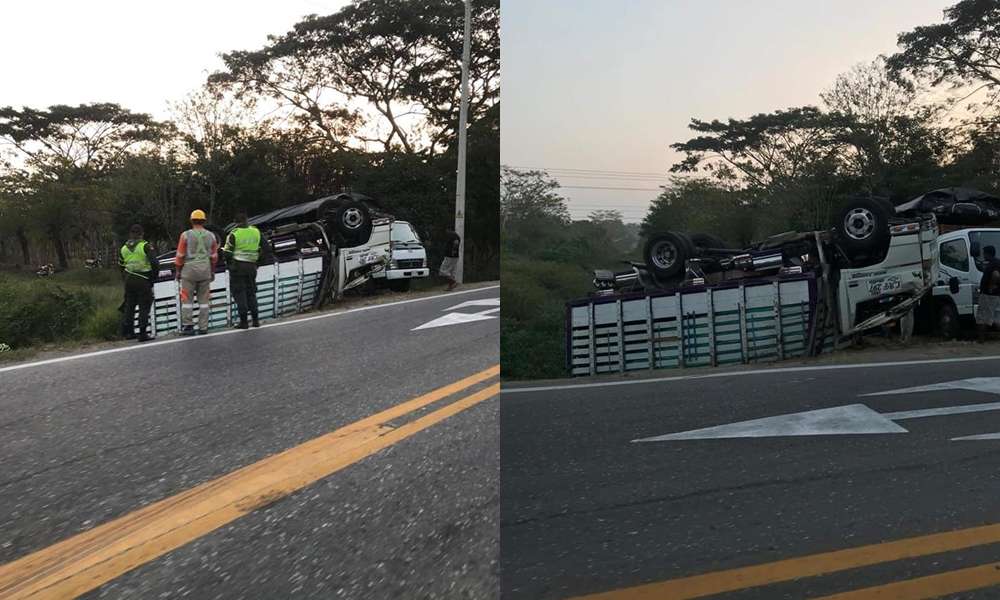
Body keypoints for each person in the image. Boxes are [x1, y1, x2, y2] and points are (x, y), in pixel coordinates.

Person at [175, 209, 219, 335]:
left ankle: (188, 326)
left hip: (188, 270)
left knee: (187, 300)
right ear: (204, 221)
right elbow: (214, 256)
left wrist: (178, 270)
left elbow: (180, 255)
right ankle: (203, 327)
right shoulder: (211, 236)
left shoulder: (185, 235)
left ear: (191, 220)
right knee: (204, 300)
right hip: (205, 270)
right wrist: (212, 271)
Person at [222, 211, 263, 329]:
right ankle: (256, 321)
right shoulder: (256, 231)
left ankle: (244, 322)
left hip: (238, 267)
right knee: (251, 292)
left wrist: (228, 263)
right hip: (252, 267)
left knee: (240, 293)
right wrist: (257, 263)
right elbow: (263, 249)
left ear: (235, 223)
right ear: (247, 220)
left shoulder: (234, 233)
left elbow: (228, 253)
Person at [119, 224, 158, 342]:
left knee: (130, 306)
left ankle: (129, 332)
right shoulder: (145, 246)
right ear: (141, 234)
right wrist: (152, 279)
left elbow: (121, 266)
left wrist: (125, 278)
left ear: (131, 234)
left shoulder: (123, 248)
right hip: (143, 278)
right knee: (144, 306)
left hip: (129, 279)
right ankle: (142, 333)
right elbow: (155, 263)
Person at [976, 245, 1000, 343]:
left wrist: (991, 286)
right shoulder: (998, 262)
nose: (983, 255)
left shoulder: (992, 264)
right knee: (996, 318)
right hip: (997, 295)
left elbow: (996, 275)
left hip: (988, 295)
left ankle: (981, 340)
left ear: (988, 253)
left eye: (984, 253)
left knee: (982, 319)